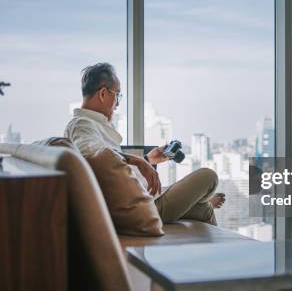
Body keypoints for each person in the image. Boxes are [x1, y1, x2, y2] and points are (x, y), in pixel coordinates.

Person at [65, 62, 225, 225]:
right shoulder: (82, 125)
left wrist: (148, 160)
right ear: (104, 94)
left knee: (205, 209)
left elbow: (111, 168)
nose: (118, 104)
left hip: (137, 199)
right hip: (134, 209)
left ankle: (202, 202)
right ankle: (201, 198)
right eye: (117, 95)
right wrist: (139, 161)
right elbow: (92, 156)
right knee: (208, 176)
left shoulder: (93, 125)